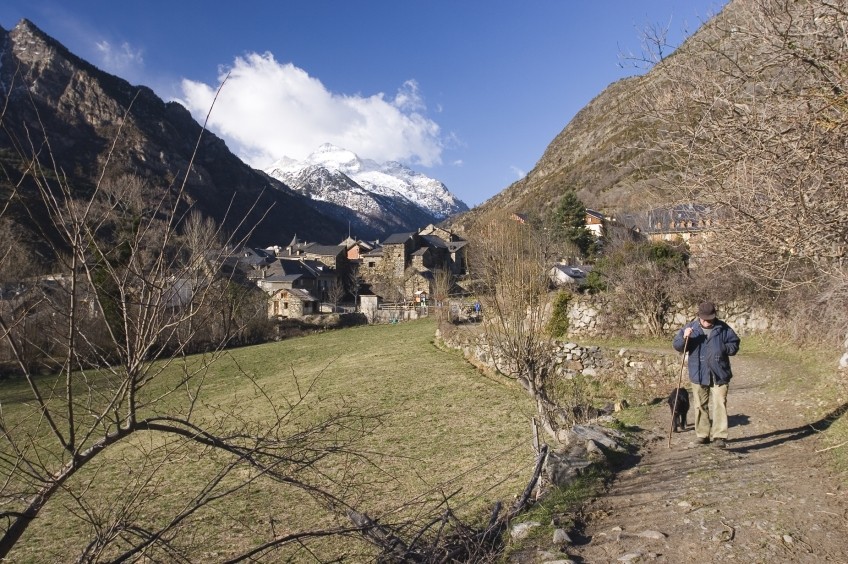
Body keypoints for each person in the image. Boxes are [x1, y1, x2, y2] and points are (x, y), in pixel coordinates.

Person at [672, 302, 740, 448]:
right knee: (699, 405)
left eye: (711, 319)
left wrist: (723, 347)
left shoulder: (722, 328)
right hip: (698, 373)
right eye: (705, 319)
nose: (708, 322)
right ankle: (702, 435)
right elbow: (677, 345)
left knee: (720, 404)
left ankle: (719, 436)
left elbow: (734, 345)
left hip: (719, 373)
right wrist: (685, 338)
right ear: (699, 317)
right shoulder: (691, 328)